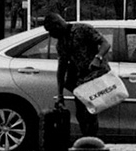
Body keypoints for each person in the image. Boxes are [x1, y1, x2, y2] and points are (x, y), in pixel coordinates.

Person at [43, 10, 111, 139]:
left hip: (95, 76)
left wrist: (98, 58)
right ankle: (87, 139)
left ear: (58, 25)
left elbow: (105, 44)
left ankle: (91, 140)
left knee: (90, 112)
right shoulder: (62, 43)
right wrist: (60, 94)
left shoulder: (82, 29)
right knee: (81, 114)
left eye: (51, 31)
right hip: (80, 81)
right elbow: (61, 68)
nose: (51, 35)